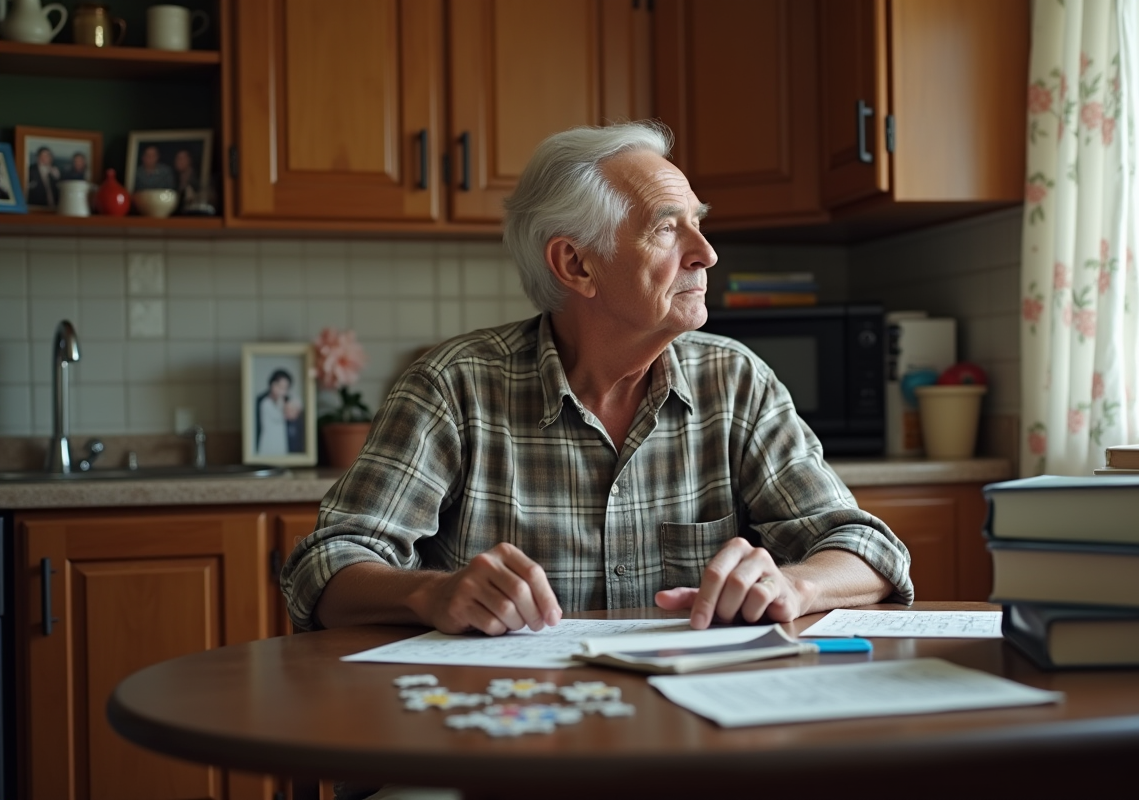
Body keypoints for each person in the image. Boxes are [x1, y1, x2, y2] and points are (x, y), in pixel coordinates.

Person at [281, 121, 912, 641]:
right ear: (576, 263)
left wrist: (791, 583)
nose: (707, 252)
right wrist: (434, 592)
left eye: (699, 222)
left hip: (695, 734)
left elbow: (867, 547)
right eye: (668, 228)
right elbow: (325, 566)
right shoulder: (453, 387)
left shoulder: (736, 381)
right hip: (501, 741)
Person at [256, 369, 303, 456]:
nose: (280, 391)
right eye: (278, 386)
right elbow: (279, 416)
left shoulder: (284, 401)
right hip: (269, 436)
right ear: (271, 384)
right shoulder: (265, 402)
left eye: (284, 388)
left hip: (280, 437)